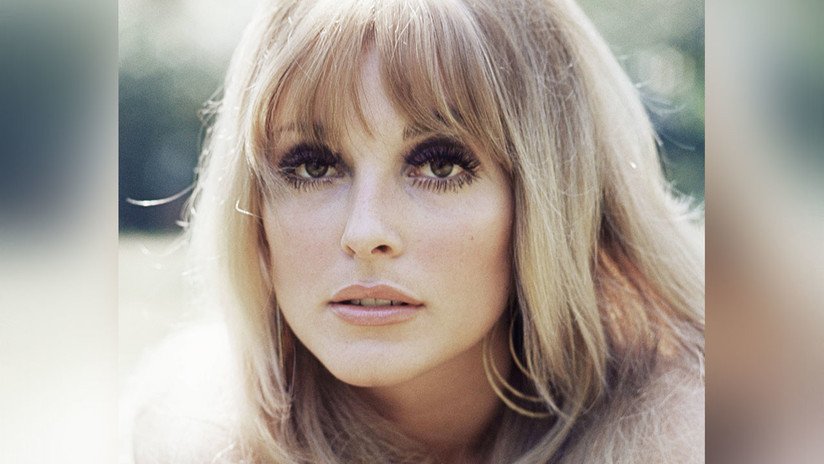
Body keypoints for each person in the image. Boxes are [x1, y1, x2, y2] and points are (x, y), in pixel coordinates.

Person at [129, 0, 704, 462]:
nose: (365, 232)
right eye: (313, 166)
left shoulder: (697, 435)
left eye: (440, 165)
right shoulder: (191, 437)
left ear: (551, 200)